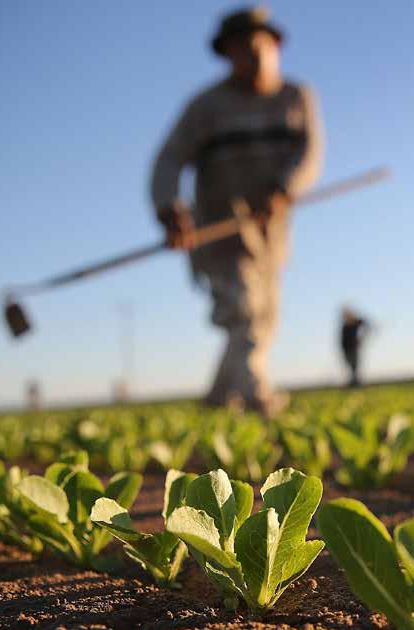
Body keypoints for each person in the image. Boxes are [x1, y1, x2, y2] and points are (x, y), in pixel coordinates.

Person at [150, 7, 323, 415]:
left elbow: (309, 153)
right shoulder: (205, 107)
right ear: (227, 53)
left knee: (263, 314)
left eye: (261, 46)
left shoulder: (296, 98)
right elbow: (169, 160)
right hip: (218, 229)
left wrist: (284, 188)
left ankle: (217, 398)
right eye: (243, 48)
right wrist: (169, 208)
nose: (254, 55)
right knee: (243, 309)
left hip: (271, 232)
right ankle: (256, 396)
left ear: (276, 47)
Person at [340, 307, 368, 387]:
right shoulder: (345, 326)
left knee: (355, 366)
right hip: (346, 349)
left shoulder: (356, 322)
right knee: (350, 366)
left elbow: (366, 324)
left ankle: (356, 383)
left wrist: (362, 337)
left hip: (354, 348)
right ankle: (353, 382)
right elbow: (342, 340)